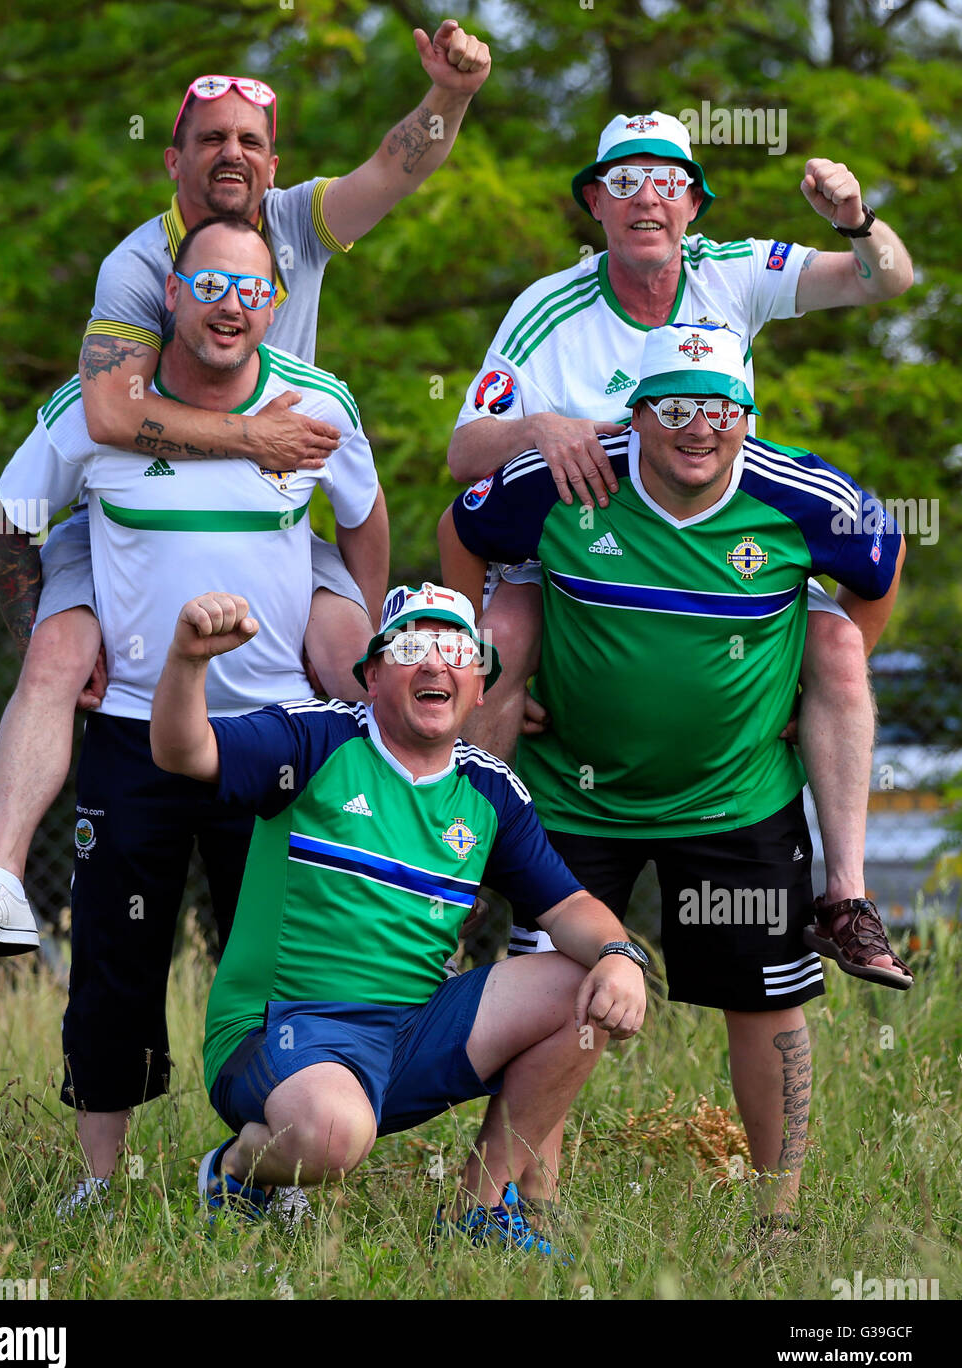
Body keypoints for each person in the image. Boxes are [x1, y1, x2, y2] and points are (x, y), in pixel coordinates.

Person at [0, 20, 490, 954]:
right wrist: (251, 437)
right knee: (59, 654)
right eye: (211, 138)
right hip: (131, 511)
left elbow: (396, 169)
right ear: (174, 161)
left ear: (274, 163)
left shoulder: (301, 226)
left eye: (251, 140)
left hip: (271, 520)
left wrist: (452, 94)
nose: (232, 153)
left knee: (360, 656)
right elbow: (109, 417)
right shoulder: (138, 263)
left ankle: (402, 878)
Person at [0, 217, 388, 1208]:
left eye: (253, 290)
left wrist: (351, 638)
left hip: (271, 736)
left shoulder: (318, 403)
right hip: (134, 732)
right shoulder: (96, 411)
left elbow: (363, 515)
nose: (232, 306)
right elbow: (11, 518)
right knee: (114, 956)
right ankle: (101, 1180)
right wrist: (46, 629)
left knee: (276, 960)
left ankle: (265, 1170)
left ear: (275, 303)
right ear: (173, 294)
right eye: (210, 285)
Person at [439, 323, 908, 1216]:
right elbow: (459, 530)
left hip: (735, 795)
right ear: (637, 414)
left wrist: (804, 676)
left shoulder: (804, 496)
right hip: (572, 787)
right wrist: (480, 664)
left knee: (765, 1003)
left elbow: (875, 575)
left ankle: (779, 1214)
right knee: (555, 992)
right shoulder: (566, 477)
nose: (698, 428)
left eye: (720, 409)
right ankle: (517, 1207)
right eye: (673, 408)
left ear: (748, 415)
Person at [446, 111, 913, 971]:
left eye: (667, 181)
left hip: (714, 537)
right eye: (621, 181)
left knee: (840, 648)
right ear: (594, 201)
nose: (645, 198)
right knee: (499, 640)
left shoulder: (734, 271)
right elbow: (461, 464)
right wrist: (540, 427)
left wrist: (854, 218)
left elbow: (886, 282)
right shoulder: (545, 305)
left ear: (694, 203)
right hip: (573, 546)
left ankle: (845, 898)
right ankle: (448, 885)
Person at [149, 581, 647, 1252]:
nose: (434, 662)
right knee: (330, 1137)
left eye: (453, 649)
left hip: (410, 1031)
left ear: (478, 683)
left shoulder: (489, 791)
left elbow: (570, 909)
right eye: (411, 646)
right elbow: (183, 752)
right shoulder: (315, 738)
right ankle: (236, 1170)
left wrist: (620, 958)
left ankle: (480, 1209)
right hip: (284, 1029)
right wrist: (186, 661)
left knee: (577, 983)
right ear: (373, 675)